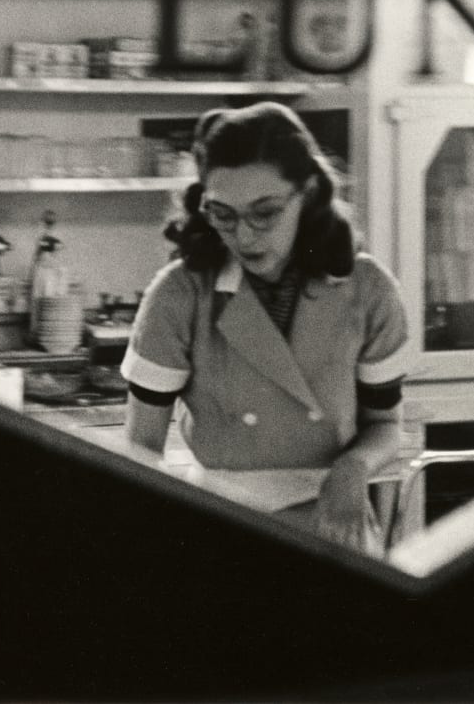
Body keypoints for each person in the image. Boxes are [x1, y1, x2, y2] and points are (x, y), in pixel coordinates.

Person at [121, 102, 412, 553]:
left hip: (334, 524)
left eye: (265, 212)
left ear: (309, 192)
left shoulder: (366, 290)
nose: (245, 235)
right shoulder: (179, 295)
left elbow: (386, 425)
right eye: (223, 214)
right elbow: (141, 450)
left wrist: (353, 468)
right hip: (221, 522)